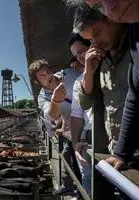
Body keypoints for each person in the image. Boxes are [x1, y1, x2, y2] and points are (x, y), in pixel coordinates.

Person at [69, 0, 139, 185]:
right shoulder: (102, 56)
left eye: (97, 33)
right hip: (121, 154)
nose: (109, 8)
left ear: (110, 22)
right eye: (89, 40)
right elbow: (132, 94)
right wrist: (121, 153)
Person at [73, 5, 130, 154]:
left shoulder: (136, 47)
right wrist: (89, 71)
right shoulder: (101, 60)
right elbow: (85, 102)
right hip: (116, 151)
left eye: (96, 33)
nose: (95, 42)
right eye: (90, 40)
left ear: (111, 17)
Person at [30, 59, 81, 196]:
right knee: (68, 156)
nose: (48, 75)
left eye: (48, 70)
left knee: (82, 161)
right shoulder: (43, 96)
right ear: (37, 82)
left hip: (89, 122)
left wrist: (81, 63)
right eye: (42, 75)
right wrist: (56, 100)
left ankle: (81, 189)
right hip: (73, 131)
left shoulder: (70, 74)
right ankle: (71, 187)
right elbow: (51, 115)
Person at [68, 33, 92, 194]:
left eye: (82, 50)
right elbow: (76, 115)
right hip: (88, 139)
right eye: (77, 55)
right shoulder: (79, 81)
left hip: (115, 140)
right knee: (89, 180)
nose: (81, 57)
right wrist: (75, 143)